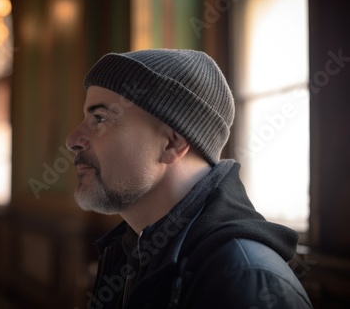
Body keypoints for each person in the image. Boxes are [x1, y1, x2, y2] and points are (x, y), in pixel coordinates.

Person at [65, 49, 313, 309]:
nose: (72, 140)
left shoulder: (248, 281)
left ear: (171, 143)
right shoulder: (131, 251)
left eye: (100, 118)